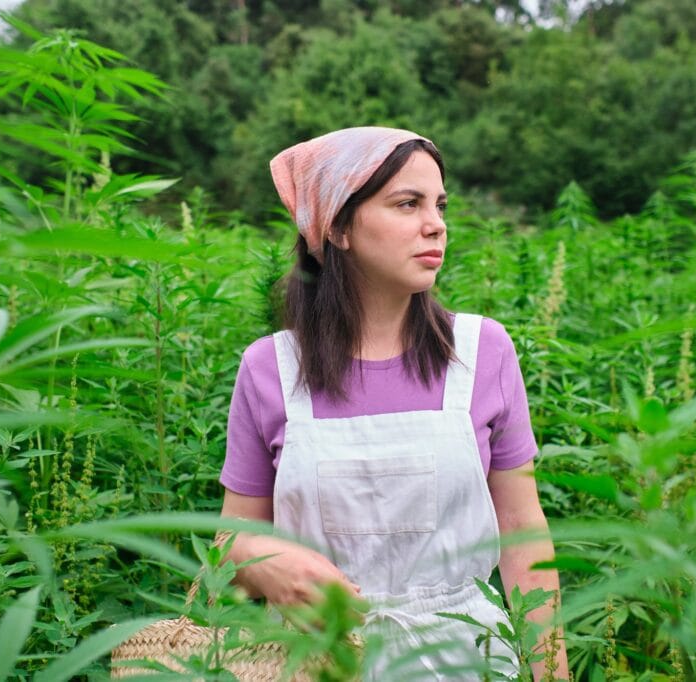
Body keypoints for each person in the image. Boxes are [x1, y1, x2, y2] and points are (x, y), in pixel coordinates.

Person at [219, 126, 568, 680]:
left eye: (440, 204)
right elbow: (232, 537)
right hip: (318, 660)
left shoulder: (482, 353)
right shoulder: (271, 369)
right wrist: (266, 566)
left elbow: (523, 528)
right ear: (336, 227)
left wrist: (550, 672)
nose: (436, 224)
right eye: (408, 204)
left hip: (465, 658)